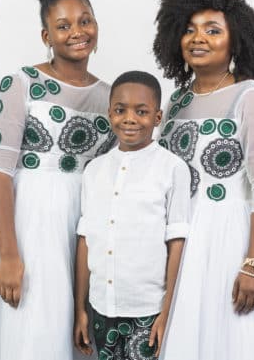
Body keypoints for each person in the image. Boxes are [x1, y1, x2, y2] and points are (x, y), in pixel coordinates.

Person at [0, 0, 114, 360]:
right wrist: (9, 255)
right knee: (31, 329)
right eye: (63, 26)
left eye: (85, 21)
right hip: (30, 225)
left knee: (73, 329)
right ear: (46, 36)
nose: (77, 32)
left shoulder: (111, 97)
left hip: (83, 226)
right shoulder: (19, 84)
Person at [152, 0, 254, 360]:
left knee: (231, 340)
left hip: (227, 239)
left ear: (236, 40)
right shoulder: (177, 102)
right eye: (189, 29)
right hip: (179, 238)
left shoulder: (252, 99)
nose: (198, 38)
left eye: (212, 30)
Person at [73, 71, 191, 360]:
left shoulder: (172, 168)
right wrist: (80, 308)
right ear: (109, 113)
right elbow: (86, 239)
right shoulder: (94, 170)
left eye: (141, 111)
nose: (129, 119)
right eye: (120, 110)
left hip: (147, 309)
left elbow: (176, 242)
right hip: (101, 306)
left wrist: (167, 311)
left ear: (158, 117)